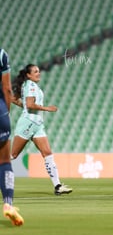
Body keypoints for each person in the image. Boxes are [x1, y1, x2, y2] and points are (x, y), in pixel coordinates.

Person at [11, 64, 72, 196]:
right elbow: (31, 104)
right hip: (28, 123)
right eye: (35, 71)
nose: (39, 73)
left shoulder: (30, 85)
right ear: (28, 75)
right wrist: (47, 108)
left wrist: (26, 106)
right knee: (13, 155)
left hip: (37, 124)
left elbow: (15, 100)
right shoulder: (30, 85)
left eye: (38, 71)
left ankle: (58, 186)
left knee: (48, 153)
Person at [0, 48, 23, 226]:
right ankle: (8, 203)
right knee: (4, 161)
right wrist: (5, 114)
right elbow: (7, 89)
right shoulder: (1, 54)